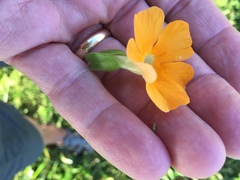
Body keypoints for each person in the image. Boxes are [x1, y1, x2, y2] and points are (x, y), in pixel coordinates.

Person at [0, 1, 240, 179]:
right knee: (23, 145)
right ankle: (46, 135)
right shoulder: (138, 55)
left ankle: (46, 135)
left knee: (23, 142)